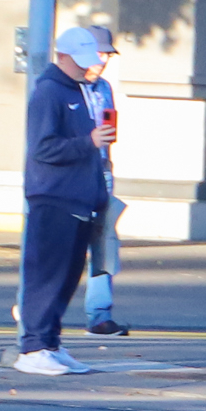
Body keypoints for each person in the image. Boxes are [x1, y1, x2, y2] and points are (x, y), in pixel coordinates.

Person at [14, 26, 113, 376]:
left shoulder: (81, 90)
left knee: (67, 276)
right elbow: (42, 148)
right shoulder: (49, 92)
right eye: (79, 61)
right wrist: (88, 142)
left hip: (79, 198)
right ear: (63, 56)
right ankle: (33, 346)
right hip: (53, 196)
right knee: (46, 276)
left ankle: (50, 342)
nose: (86, 68)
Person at [80, 22, 130, 337]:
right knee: (61, 248)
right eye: (98, 53)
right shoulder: (67, 86)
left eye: (106, 54)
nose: (102, 60)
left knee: (103, 244)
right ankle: (32, 309)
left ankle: (100, 314)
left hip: (101, 171)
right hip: (72, 175)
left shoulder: (104, 88)